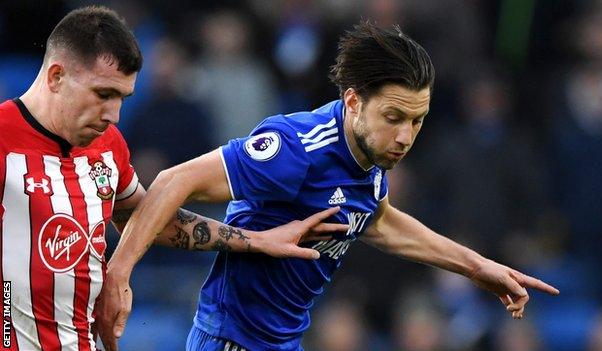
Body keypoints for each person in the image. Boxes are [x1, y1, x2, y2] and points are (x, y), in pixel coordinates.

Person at [100, 21, 560, 351]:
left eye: (417, 121)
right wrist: (119, 275)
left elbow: (377, 221)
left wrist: (477, 268)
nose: (405, 137)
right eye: (394, 118)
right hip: (232, 339)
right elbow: (172, 181)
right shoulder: (295, 149)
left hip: (283, 340)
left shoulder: (370, 155)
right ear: (354, 102)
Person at [0, 6, 348, 351]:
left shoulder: (106, 145)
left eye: (123, 98)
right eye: (103, 94)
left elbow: (148, 219)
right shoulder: (4, 139)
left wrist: (258, 240)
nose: (114, 115)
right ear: (56, 76)